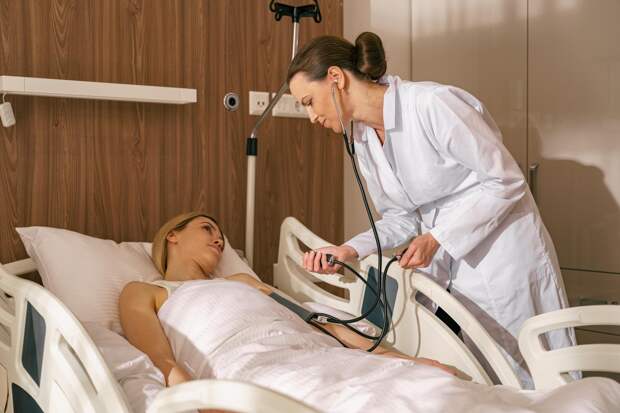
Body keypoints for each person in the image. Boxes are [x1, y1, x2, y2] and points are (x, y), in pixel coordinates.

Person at [287, 32, 575, 388]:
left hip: (503, 253)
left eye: (309, 102)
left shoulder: (431, 104)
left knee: (542, 374)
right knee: (491, 379)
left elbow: (506, 181)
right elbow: (401, 217)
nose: (311, 116)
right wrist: (350, 249)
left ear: (335, 77)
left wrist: (438, 238)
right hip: (450, 265)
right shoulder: (362, 138)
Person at [119, 212, 459, 390]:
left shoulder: (240, 281)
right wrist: (203, 402)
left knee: (430, 389)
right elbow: (162, 361)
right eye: (207, 228)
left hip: (315, 355)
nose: (219, 240)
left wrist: (400, 360)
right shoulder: (146, 291)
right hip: (249, 367)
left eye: (221, 236)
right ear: (173, 235)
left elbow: (316, 321)